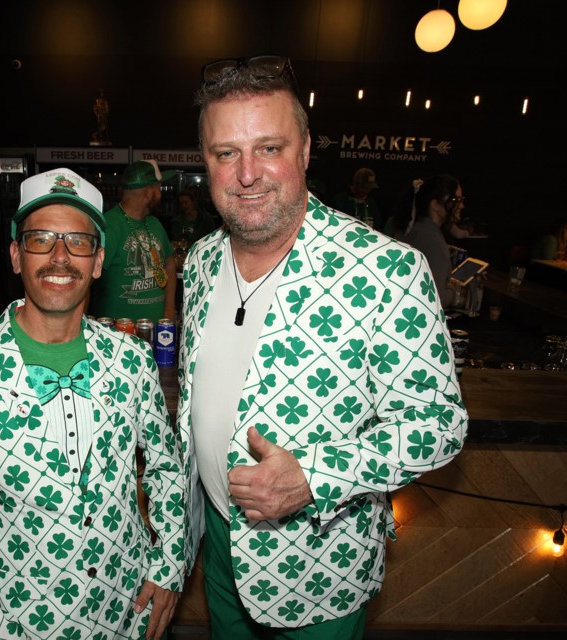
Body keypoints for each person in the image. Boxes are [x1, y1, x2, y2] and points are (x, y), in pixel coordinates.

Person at [178, 55, 468, 638]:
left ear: (306, 151)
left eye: (270, 148)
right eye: (225, 153)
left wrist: (314, 475)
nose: (248, 174)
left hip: (317, 572)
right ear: (205, 162)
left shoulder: (388, 269)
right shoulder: (202, 260)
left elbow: (440, 423)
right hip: (217, 551)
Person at [0, 169, 186, 640]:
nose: (60, 257)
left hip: (127, 616)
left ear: (99, 261)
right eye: (41, 239)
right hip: (17, 624)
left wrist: (168, 567)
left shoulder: (130, 359)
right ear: (16, 256)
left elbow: (166, 470)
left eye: (79, 242)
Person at [91, 159, 177, 322]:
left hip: (156, 333)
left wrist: (169, 310)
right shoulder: (110, 226)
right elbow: (86, 279)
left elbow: (170, 263)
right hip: (117, 336)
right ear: (148, 193)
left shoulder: (154, 223)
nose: (161, 193)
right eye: (158, 188)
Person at [394, 175, 465, 308]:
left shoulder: (409, 229)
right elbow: (434, 298)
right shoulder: (433, 243)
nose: (461, 205)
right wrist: (455, 292)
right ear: (435, 205)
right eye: (455, 199)